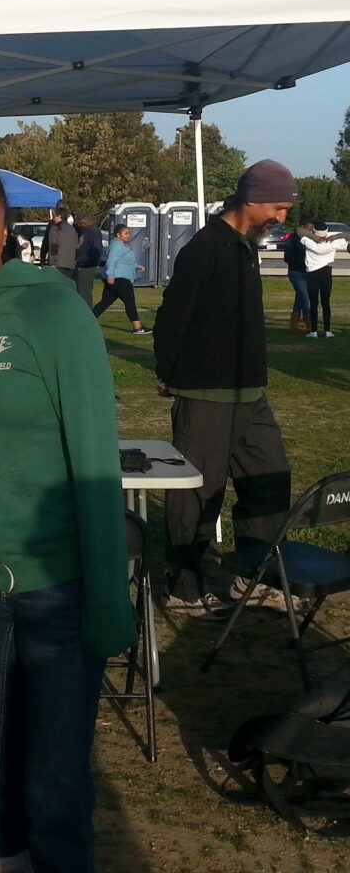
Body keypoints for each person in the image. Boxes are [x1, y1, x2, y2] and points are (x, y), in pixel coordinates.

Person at [0, 157, 135, 873]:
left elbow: (96, 464)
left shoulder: (52, 310)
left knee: (54, 779)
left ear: (8, 228)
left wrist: (108, 598)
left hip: (57, 583)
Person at [154, 159, 297, 617]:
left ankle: (253, 574)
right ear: (251, 200)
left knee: (268, 479)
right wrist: (169, 372)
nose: (282, 218)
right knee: (197, 491)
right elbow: (173, 316)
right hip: (206, 394)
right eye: (277, 207)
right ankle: (183, 584)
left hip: (250, 394)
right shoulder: (206, 246)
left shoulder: (244, 246)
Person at [92, 224, 150, 334]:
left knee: (104, 303)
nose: (128, 235)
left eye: (128, 233)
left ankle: (88, 320)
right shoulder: (117, 246)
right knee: (130, 302)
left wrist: (137, 266)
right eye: (125, 233)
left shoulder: (123, 245)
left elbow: (125, 261)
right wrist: (110, 275)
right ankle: (138, 327)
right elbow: (111, 261)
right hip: (118, 278)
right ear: (118, 235)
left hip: (118, 277)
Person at [300, 219, 345, 338]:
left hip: (312, 273)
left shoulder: (309, 240)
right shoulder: (333, 241)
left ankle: (313, 331)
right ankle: (327, 330)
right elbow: (347, 238)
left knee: (313, 303)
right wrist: (337, 236)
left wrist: (312, 234)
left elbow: (299, 231)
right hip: (326, 271)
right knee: (326, 302)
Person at [42, 201, 80, 284]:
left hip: (58, 263)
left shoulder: (55, 228)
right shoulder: (72, 229)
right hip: (70, 264)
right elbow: (76, 246)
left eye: (55, 216)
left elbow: (53, 246)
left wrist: (52, 263)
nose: (53, 218)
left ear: (59, 216)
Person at [282, 225, 310, 333]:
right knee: (306, 298)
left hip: (307, 271)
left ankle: (294, 326)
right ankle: (310, 325)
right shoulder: (292, 240)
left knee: (300, 297)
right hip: (296, 272)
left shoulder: (309, 239)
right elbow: (287, 258)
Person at [74, 213, 103, 307]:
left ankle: (88, 312)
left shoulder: (93, 231)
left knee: (85, 293)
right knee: (81, 291)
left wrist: (84, 260)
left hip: (87, 266)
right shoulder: (84, 230)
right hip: (82, 264)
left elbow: (96, 250)